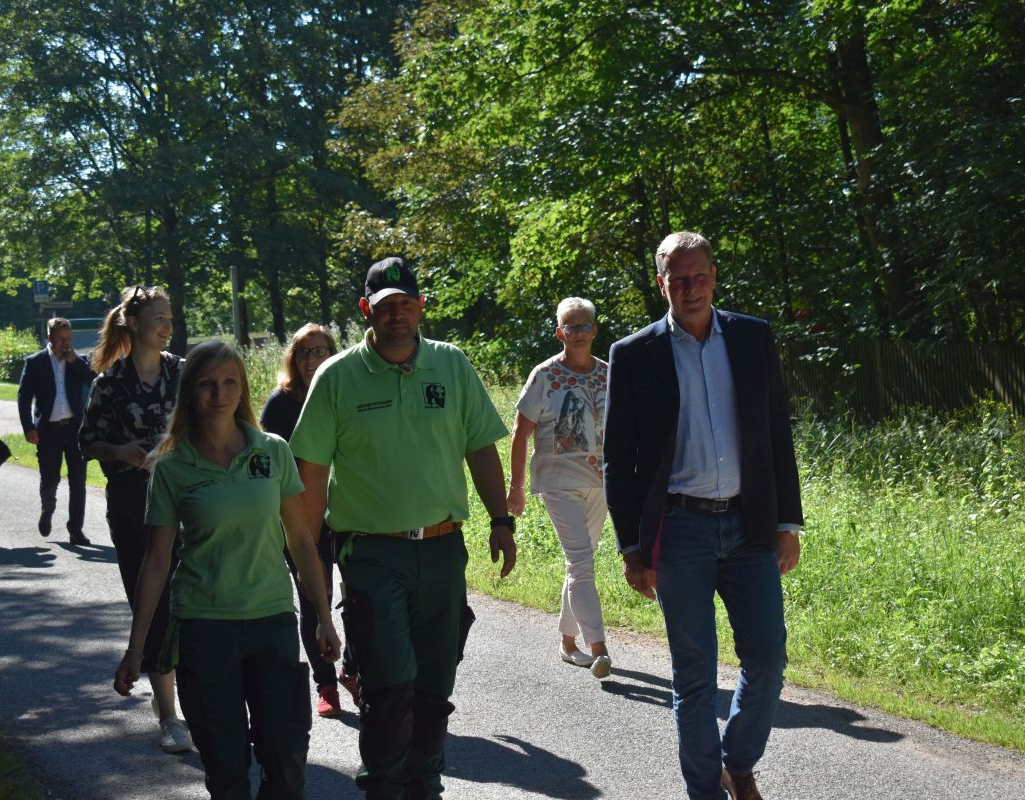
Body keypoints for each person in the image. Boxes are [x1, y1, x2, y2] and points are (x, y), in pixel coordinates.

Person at [291, 257, 517, 800]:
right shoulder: (337, 376)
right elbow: (312, 477)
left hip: (443, 548)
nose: (397, 315)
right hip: (372, 554)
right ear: (367, 310)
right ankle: (384, 787)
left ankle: (425, 784)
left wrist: (501, 520)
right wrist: (309, 559)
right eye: (385, 306)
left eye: (406, 304)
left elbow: (480, 449)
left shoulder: (452, 365)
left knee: (436, 681)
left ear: (420, 306)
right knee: (391, 683)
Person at [603, 231, 804, 800]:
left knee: (768, 661)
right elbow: (619, 460)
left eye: (699, 277)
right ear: (661, 283)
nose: (690, 288)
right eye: (678, 279)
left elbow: (775, 434)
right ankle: (705, 791)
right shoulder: (634, 353)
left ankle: (738, 763)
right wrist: (631, 548)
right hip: (679, 530)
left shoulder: (751, 337)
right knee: (693, 677)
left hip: (751, 528)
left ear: (714, 276)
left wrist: (787, 523)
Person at [114, 340, 341, 799]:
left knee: (286, 763)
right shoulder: (172, 464)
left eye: (229, 383)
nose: (219, 394)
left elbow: (301, 540)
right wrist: (136, 649)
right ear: (190, 393)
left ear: (243, 389)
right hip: (204, 629)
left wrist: (323, 617)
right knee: (227, 770)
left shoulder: (272, 451)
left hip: (272, 621)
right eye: (207, 384)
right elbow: (156, 562)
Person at [79, 285, 192, 755]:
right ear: (135, 324)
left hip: (188, 502)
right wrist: (121, 451)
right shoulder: (110, 382)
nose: (167, 325)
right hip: (132, 507)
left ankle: (207, 703)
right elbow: (87, 442)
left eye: (170, 318)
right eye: (159, 318)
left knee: (197, 602)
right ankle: (168, 714)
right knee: (154, 607)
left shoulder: (184, 374)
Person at [507, 297, 612, 679]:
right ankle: (599, 648)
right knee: (581, 562)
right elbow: (521, 432)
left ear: (594, 329)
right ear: (559, 333)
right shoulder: (545, 375)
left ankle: (568, 644)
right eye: (571, 326)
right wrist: (516, 487)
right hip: (557, 479)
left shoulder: (608, 374)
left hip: (600, 481)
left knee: (580, 563)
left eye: (584, 325)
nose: (579, 332)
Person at [259, 323, 360, 718]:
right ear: (292, 358)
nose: (310, 360)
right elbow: (269, 465)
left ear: (332, 354)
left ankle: (352, 670)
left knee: (357, 598)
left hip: (351, 511)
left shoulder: (349, 393)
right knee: (313, 600)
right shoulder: (280, 404)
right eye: (303, 352)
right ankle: (326, 684)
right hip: (300, 517)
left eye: (319, 351)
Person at [17, 317, 97, 545]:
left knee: (78, 482)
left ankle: (76, 530)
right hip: (48, 431)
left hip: (74, 429)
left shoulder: (77, 360)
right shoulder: (35, 362)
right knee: (50, 480)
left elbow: (95, 381)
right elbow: (24, 398)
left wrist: (75, 361)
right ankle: (47, 510)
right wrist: (28, 428)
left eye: (68, 338)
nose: (65, 343)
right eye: (61, 338)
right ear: (49, 337)